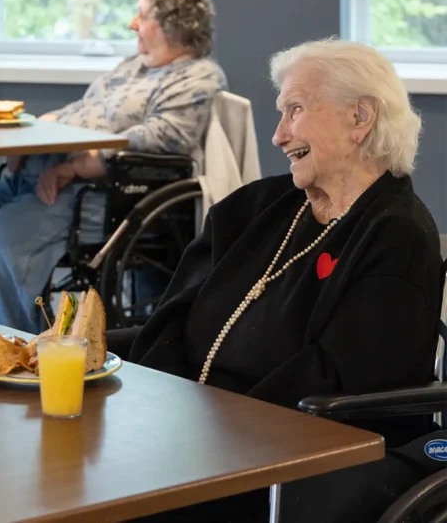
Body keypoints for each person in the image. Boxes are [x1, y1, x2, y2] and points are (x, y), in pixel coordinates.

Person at [120, 39, 441, 522]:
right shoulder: (255, 209)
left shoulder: (397, 235)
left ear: (360, 118)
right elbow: (173, 316)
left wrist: (204, 434)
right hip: (186, 435)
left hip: (284, 460)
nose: (277, 136)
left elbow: (341, 386)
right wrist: (154, 411)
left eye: (295, 110)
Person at [0, 0, 228, 333]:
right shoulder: (134, 66)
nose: (132, 23)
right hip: (39, 171)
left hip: (97, 192)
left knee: (0, 237)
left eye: (142, 15)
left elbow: (166, 136)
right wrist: (31, 131)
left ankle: (19, 347)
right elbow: (84, 109)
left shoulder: (196, 77)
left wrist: (80, 165)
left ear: (174, 24)